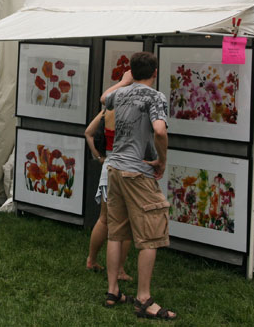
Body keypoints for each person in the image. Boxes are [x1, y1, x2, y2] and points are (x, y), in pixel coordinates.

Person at [100, 52, 176, 320]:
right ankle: (144, 299)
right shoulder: (155, 97)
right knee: (150, 235)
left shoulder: (120, 95)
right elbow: (159, 130)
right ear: (155, 71)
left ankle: (113, 291)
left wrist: (123, 81)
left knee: (116, 232)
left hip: (115, 169)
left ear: (132, 71)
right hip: (137, 171)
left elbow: (103, 99)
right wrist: (162, 160)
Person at [85, 108, 132, 281]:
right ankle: (119, 269)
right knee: (125, 223)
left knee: (104, 219)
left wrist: (100, 158)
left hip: (108, 165)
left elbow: (88, 133)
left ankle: (92, 260)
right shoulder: (133, 108)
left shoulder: (109, 108)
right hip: (125, 166)